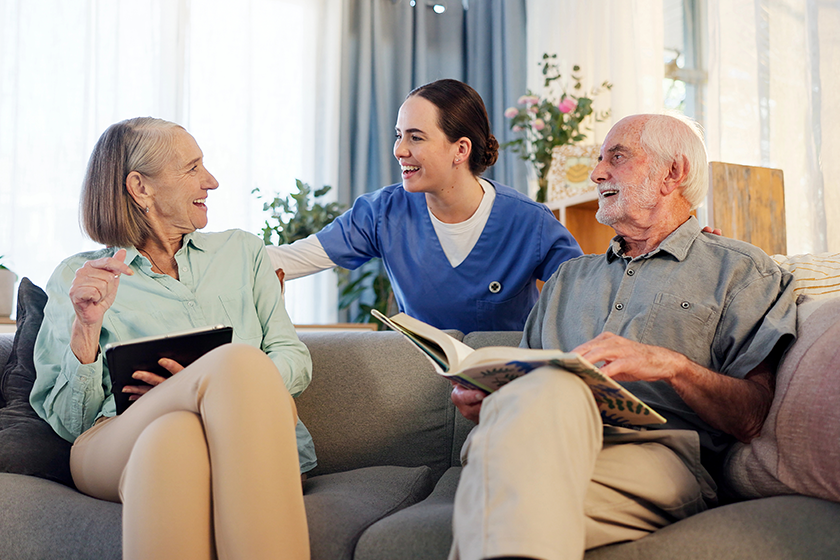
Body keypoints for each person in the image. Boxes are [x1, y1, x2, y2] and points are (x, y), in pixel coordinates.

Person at [448, 113, 798, 560]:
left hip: (654, 455)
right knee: (520, 490)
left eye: (616, 157)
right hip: (531, 443)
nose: (597, 173)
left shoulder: (739, 270)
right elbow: (521, 388)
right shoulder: (566, 279)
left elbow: (751, 415)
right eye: (600, 160)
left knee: (502, 487)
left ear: (673, 172)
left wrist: (672, 366)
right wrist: (487, 398)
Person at [30, 118, 315, 560]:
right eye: (192, 168)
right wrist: (86, 326)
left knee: (176, 436)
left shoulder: (243, 252)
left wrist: (207, 391)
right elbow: (74, 423)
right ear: (140, 188)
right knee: (237, 361)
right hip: (111, 441)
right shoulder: (82, 277)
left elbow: (293, 356)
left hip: (236, 441)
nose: (211, 181)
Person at [268, 79, 583, 333]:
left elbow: (588, 293)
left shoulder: (529, 222)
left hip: (506, 379)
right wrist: (236, 252)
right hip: (421, 375)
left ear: (460, 149)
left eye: (416, 138)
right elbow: (290, 259)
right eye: (399, 135)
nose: (399, 150)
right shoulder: (382, 214)